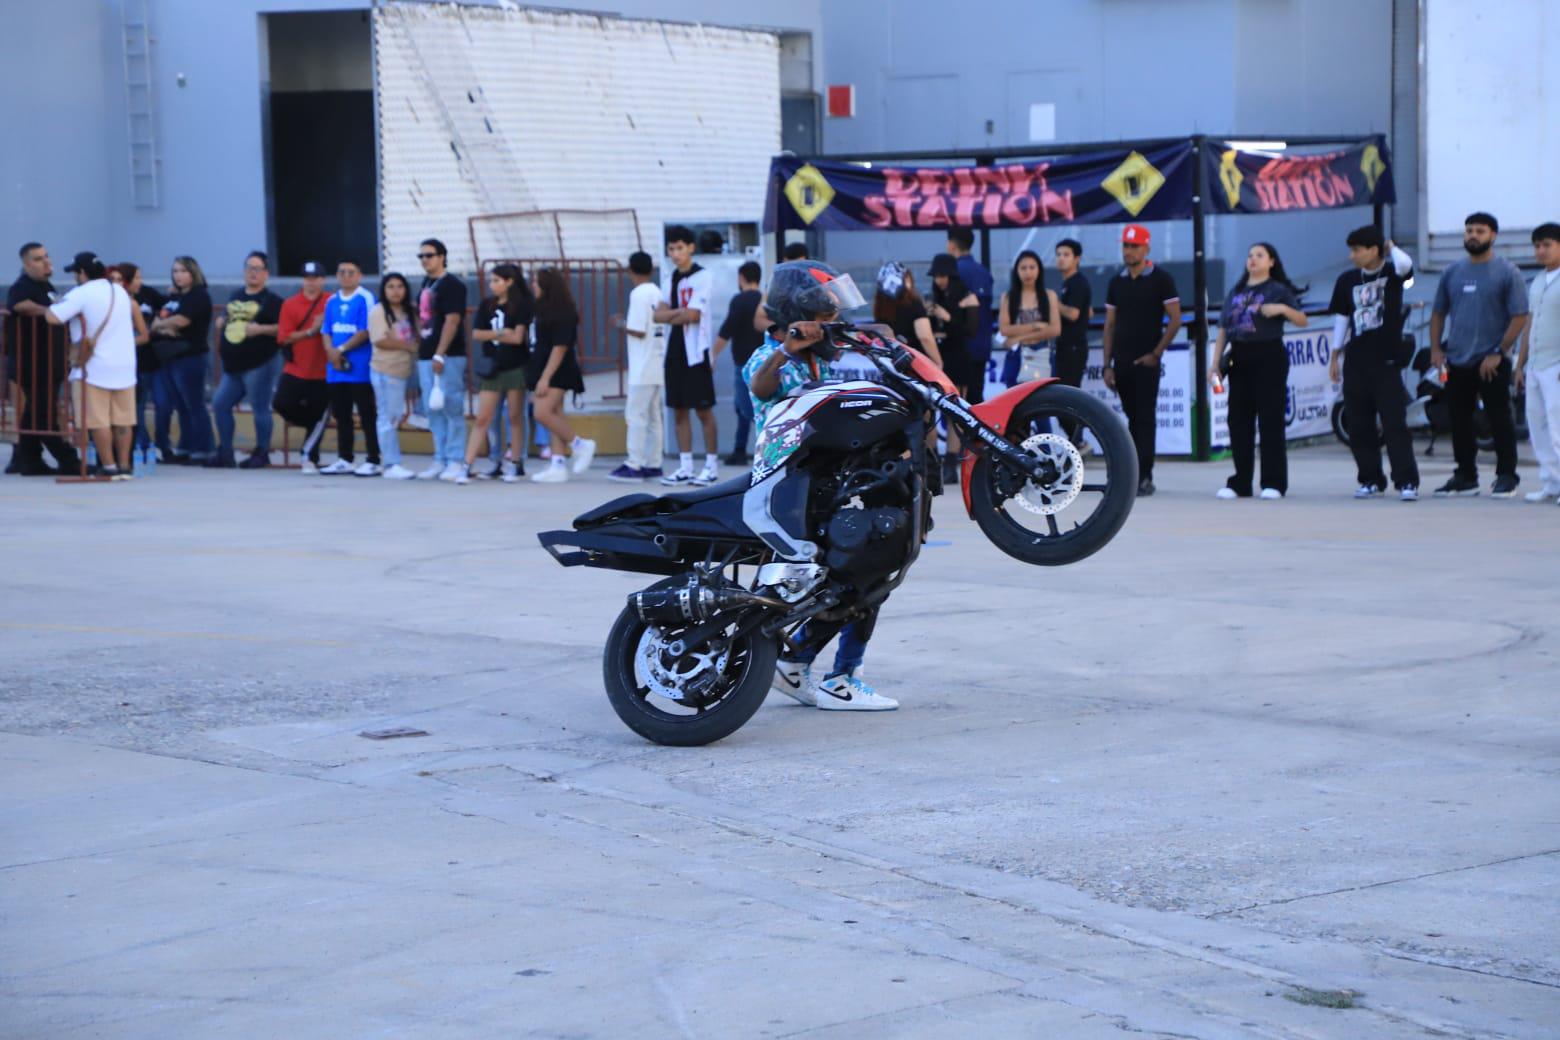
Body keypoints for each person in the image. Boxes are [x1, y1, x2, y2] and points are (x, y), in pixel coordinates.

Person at [745, 260, 897, 712]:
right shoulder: (769, 357)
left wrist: (881, 336)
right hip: (786, 493)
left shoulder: (819, 362)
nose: (835, 321)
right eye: (827, 314)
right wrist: (785, 350)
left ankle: (828, 669)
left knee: (874, 566)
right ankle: (827, 672)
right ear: (799, 314)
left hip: (824, 486)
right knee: (854, 574)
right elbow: (760, 385)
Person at [1429, 212, 1529, 497]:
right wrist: (1436, 349)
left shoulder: (1507, 272)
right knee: (1459, 419)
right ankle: (1465, 476)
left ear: (1493, 235)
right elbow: (1438, 313)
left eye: (1480, 231)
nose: (1473, 235)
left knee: (1499, 418)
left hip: (1491, 361)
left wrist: (1499, 351)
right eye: (1469, 230)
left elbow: (1520, 316)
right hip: (1457, 359)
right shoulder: (1452, 272)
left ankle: (1507, 476)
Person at [1327, 226, 1420, 500]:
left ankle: (1406, 481)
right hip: (1356, 359)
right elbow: (1342, 318)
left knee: (1394, 423)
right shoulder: (1346, 280)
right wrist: (1335, 354)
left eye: (1357, 250)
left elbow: (1406, 266)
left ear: (1374, 249)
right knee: (1358, 424)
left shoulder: (1393, 274)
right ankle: (1370, 479)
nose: (1352, 255)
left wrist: (1391, 248)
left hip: (1387, 360)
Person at [1210, 243, 1308, 500]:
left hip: (1269, 356)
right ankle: (1240, 482)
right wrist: (1215, 363)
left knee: (1270, 420)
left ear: (1271, 262)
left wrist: (1282, 309)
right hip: (1239, 357)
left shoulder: (1278, 290)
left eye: (1259, 255)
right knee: (1238, 421)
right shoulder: (1237, 291)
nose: (1253, 259)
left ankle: (1273, 482)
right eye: (1250, 255)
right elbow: (1223, 329)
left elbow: (1302, 319)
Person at [45, 252, 143, 479]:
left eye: (75, 273)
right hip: (125, 365)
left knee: (98, 420)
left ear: (82, 273)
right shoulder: (119, 291)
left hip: (94, 366)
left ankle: (109, 466)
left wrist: (53, 305)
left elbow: (53, 317)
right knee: (124, 419)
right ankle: (125, 466)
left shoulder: (81, 293)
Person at [1102, 225, 1181, 496]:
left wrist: (1156, 353)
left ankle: (1144, 475)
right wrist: (1107, 365)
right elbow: (1110, 325)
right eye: (1126, 246)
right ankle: (1131, 473)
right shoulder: (1116, 282)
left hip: (1147, 361)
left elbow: (1175, 319)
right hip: (1122, 362)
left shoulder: (1161, 279)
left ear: (1146, 248)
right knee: (1131, 418)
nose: (1129, 251)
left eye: (1134, 246)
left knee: (1145, 418)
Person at [5, 242, 82, 475]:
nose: (46, 262)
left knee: (34, 412)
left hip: (50, 362)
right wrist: (50, 312)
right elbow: (19, 305)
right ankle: (68, 460)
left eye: (46, 256)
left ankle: (28, 460)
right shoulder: (22, 285)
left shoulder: (46, 286)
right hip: (34, 363)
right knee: (43, 414)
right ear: (27, 264)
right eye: (38, 259)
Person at [455, 264, 532, 485]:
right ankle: (467, 465)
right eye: (492, 280)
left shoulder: (521, 305)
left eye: (497, 280)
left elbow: (518, 338)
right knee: (483, 418)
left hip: (515, 367)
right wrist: (500, 333)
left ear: (509, 282)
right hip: (492, 368)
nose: (492, 285)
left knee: (515, 417)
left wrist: (500, 335)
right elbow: (477, 334)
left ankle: (516, 463)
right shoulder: (487, 304)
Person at [654, 225, 719, 486]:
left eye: (679, 248)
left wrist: (671, 314)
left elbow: (693, 315)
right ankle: (685, 466)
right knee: (678, 410)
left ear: (691, 248)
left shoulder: (702, 276)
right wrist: (676, 314)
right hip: (674, 350)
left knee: (703, 410)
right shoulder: (669, 278)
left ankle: (711, 465)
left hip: (696, 350)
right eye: (671, 249)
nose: (675, 253)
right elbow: (656, 315)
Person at [209, 251, 284, 468]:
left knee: (259, 407)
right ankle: (225, 452)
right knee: (220, 403)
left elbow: (283, 328)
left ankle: (262, 452)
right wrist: (222, 318)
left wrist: (260, 329)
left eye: (257, 269)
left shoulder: (272, 300)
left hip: (259, 363)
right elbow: (231, 313)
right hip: (233, 365)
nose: (253, 272)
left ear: (266, 274)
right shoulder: (236, 295)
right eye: (249, 268)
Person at [527, 267, 595, 483]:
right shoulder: (540, 308)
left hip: (558, 370)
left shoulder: (564, 312)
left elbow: (560, 346)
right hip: (543, 366)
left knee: (542, 412)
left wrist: (545, 377)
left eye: (537, 282)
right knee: (555, 413)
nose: (533, 285)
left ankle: (580, 445)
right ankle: (557, 464)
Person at [147, 256, 215, 464]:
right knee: (181, 405)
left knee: (194, 404)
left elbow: (182, 320)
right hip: (170, 355)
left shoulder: (198, 295)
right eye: (175, 271)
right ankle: (186, 447)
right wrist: (164, 326)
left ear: (193, 273)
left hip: (190, 356)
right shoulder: (175, 296)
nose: (178, 275)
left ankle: (203, 449)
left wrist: (161, 324)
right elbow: (162, 317)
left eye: (183, 271)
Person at [609, 250, 665, 482]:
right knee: (653, 417)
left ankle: (634, 464)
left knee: (635, 415)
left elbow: (638, 329)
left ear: (630, 270)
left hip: (642, 365)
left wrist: (620, 323)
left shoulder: (638, 294)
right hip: (657, 360)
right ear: (651, 269)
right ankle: (654, 463)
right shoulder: (657, 291)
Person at [415, 238, 468, 481]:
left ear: (442, 257)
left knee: (451, 407)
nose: (425, 260)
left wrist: (440, 352)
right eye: (422, 256)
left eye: (429, 255)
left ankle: (455, 459)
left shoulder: (452, 285)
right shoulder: (427, 283)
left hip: (448, 355)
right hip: (426, 354)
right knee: (432, 408)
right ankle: (440, 457)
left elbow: (452, 320)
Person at [1514, 222, 1560, 504]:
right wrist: (1520, 365)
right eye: (1537, 246)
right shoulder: (1539, 281)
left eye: (1547, 245)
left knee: (1558, 426)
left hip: (1556, 365)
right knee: (1538, 427)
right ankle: (1552, 482)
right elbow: (1529, 324)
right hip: (1535, 365)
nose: (1541, 251)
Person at [320, 261, 379, 476]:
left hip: (360, 368)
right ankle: (345, 458)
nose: (346, 276)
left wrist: (341, 349)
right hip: (336, 368)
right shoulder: (331, 301)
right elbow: (326, 330)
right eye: (342, 272)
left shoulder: (365, 298)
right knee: (341, 414)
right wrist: (331, 352)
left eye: (351, 272)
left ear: (359, 275)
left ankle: (373, 459)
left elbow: (366, 331)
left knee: (366, 414)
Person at [273, 260, 332, 474]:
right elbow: (284, 337)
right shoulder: (290, 304)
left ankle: (309, 456)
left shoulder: (331, 301)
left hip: (324, 370)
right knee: (281, 403)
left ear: (323, 280)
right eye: (307, 278)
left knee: (320, 410)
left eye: (315, 278)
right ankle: (314, 423)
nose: (311, 282)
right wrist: (310, 331)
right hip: (296, 368)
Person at [929, 253, 983, 481]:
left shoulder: (967, 297)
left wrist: (947, 317)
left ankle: (951, 462)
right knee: (930, 410)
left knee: (955, 412)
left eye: (943, 276)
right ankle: (933, 461)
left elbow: (970, 330)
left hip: (958, 357)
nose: (939, 280)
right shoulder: (935, 297)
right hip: (936, 357)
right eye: (936, 276)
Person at [369, 272, 421, 480]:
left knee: (395, 415)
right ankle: (391, 463)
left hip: (403, 369)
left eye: (400, 286)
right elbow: (380, 340)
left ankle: (393, 461)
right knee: (388, 417)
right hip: (386, 370)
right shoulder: (379, 311)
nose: (396, 291)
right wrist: (407, 346)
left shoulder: (410, 311)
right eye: (390, 286)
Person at [115, 263, 167, 467]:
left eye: (139, 277)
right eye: (136, 278)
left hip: (145, 361)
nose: (140, 282)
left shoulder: (141, 298)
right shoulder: (114, 302)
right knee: (131, 410)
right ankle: (136, 449)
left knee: (145, 406)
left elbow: (144, 334)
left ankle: (146, 448)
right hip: (123, 364)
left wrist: (161, 321)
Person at [715, 260, 764, 465]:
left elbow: (727, 329)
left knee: (746, 409)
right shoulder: (763, 300)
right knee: (743, 407)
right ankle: (739, 449)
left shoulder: (739, 300)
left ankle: (763, 449)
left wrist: (713, 355)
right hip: (763, 363)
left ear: (741, 277)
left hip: (744, 363)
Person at [997, 250, 1062, 387]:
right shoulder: (1008, 297)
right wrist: (1035, 326)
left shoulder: (1049, 295)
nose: (1028, 272)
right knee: (1015, 395)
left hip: (1043, 353)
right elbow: (1005, 329)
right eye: (1023, 268)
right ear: (1017, 271)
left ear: (1039, 270)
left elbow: (1055, 329)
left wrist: (1019, 337)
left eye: (1032, 267)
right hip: (1017, 355)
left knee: (1045, 395)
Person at [946, 228, 994, 404]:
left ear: (952, 245)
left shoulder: (954, 271)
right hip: (982, 345)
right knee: (976, 399)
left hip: (960, 348)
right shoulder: (984, 272)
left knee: (957, 402)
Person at [872, 261, 941, 363]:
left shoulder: (880, 307)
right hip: (914, 362)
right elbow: (925, 337)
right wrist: (938, 362)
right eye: (906, 277)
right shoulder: (914, 303)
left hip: (892, 361)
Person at [1053, 239, 1093, 394]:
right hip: (1065, 347)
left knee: (1068, 394)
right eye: (1058, 255)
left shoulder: (1078, 283)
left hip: (1073, 348)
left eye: (1066, 255)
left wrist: (1053, 302)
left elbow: (1073, 314)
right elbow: (1088, 312)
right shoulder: (1067, 283)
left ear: (1077, 259)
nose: (1061, 258)